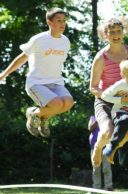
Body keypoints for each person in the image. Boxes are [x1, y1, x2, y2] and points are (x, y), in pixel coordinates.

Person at [0, 7, 74, 137]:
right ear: (49, 22)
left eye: (64, 21)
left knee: (68, 104)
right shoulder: (39, 39)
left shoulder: (65, 41)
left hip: (56, 82)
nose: (62, 24)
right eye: (58, 21)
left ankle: (43, 117)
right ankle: (34, 113)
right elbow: (22, 57)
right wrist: (4, 74)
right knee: (56, 104)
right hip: (36, 83)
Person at [89, 17, 128, 168]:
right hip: (105, 101)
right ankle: (98, 147)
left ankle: (118, 149)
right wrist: (113, 97)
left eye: (118, 31)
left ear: (123, 32)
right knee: (107, 133)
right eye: (111, 32)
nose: (116, 35)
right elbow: (93, 87)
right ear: (105, 35)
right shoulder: (101, 57)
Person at [88, 116, 113, 191]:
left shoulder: (108, 117)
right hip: (94, 147)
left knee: (106, 168)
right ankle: (96, 187)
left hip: (106, 146)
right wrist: (96, 121)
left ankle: (108, 187)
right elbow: (90, 128)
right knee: (96, 168)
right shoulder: (93, 117)